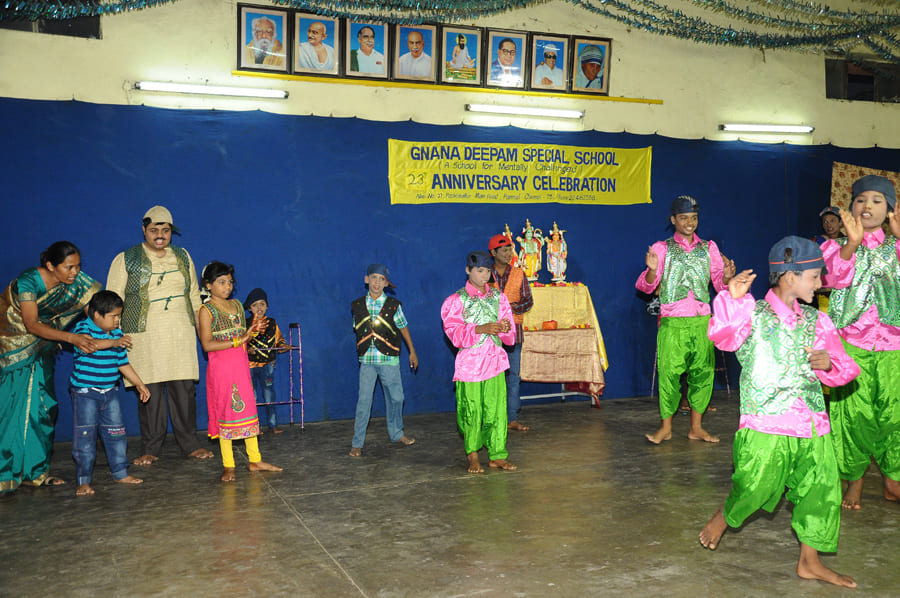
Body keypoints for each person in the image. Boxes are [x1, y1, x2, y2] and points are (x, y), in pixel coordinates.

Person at [700, 237, 860, 589]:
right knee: (755, 486)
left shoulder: (818, 321)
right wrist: (732, 298)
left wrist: (829, 364)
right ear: (789, 276)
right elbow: (722, 336)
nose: (820, 284)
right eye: (814, 277)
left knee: (822, 491)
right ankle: (725, 516)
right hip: (765, 422)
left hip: (813, 425)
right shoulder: (751, 314)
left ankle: (809, 561)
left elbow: (847, 368)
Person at [107, 206, 214, 465]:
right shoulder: (126, 259)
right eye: (154, 229)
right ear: (144, 230)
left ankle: (190, 444)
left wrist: (203, 333)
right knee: (149, 392)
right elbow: (113, 299)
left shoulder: (183, 256)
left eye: (165, 230)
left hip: (180, 333)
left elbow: (193, 295)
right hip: (144, 336)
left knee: (184, 391)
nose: (159, 235)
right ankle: (151, 448)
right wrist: (113, 336)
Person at [821, 174, 900, 509]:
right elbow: (829, 279)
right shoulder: (833, 247)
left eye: (877, 201)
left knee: (894, 415)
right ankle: (854, 480)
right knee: (854, 417)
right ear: (851, 208)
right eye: (861, 200)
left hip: (894, 347)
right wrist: (851, 245)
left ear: (890, 210)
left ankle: (893, 479)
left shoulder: (896, 246)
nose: (868, 206)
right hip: (851, 345)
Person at [0, 241, 102, 493]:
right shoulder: (28, 282)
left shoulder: (74, 283)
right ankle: (4, 473)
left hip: (42, 349)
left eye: (78, 266)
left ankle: (35, 472)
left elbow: (94, 313)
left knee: (42, 408)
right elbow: (32, 324)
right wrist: (72, 338)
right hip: (13, 349)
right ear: (50, 265)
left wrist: (110, 334)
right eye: (68, 267)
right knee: (11, 412)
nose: (75, 273)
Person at [635, 195, 735, 444]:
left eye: (693, 218)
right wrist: (651, 270)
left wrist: (727, 277)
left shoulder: (709, 248)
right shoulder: (662, 248)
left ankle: (696, 428)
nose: (689, 223)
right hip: (673, 323)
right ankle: (665, 428)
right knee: (669, 375)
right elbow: (645, 287)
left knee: (703, 374)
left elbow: (720, 286)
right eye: (683, 218)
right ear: (673, 220)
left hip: (702, 321)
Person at [198, 261, 282, 482]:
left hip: (241, 367)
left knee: (248, 411)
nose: (227, 286)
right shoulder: (206, 311)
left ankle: (255, 460)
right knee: (226, 412)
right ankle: (228, 465)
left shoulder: (236, 305)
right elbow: (207, 344)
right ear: (208, 285)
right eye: (221, 282)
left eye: (230, 282)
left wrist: (253, 331)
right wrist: (239, 340)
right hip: (222, 371)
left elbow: (244, 336)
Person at [441, 251, 517, 474]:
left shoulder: (499, 297)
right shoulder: (456, 301)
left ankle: (497, 455)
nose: (485, 276)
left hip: (495, 363)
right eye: (480, 271)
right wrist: (480, 328)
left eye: (487, 271)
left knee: (496, 411)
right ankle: (473, 456)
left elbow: (510, 335)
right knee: (471, 412)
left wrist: (503, 328)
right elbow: (454, 335)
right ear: (468, 270)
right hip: (470, 367)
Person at [69, 290, 150, 496]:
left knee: (116, 434)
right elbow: (90, 346)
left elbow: (122, 363)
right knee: (85, 437)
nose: (117, 320)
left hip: (110, 392)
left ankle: (120, 473)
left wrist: (139, 383)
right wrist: (114, 343)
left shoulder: (116, 334)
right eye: (113, 316)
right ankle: (83, 480)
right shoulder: (82, 329)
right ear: (97, 314)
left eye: (118, 316)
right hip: (85, 393)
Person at [349, 263, 417, 457]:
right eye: (374, 278)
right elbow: (358, 329)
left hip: (389, 359)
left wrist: (412, 351)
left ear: (386, 283)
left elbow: (403, 327)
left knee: (397, 398)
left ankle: (397, 433)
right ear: (366, 279)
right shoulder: (357, 305)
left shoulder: (394, 305)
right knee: (364, 401)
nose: (377, 283)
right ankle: (357, 443)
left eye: (382, 279)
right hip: (367, 360)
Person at [488, 234, 534, 432]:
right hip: (491, 334)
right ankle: (492, 418)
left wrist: (509, 308)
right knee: (491, 377)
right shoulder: (484, 274)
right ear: (493, 252)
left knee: (513, 377)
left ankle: (512, 418)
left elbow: (528, 301)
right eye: (504, 250)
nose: (508, 254)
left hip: (514, 334)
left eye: (510, 250)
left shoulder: (518, 274)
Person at [245, 288, 288, 435]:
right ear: (249, 308)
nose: (259, 307)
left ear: (267, 306)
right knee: (251, 396)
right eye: (255, 305)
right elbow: (240, 343)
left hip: (267, 365)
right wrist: (246, 349)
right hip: (249, 365)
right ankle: (253, 427)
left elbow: (279, 340)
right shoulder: (245, 324)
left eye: (262, 304)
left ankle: (273, 424)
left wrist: (283, 346)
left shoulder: (272, 323)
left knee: (269, 394)